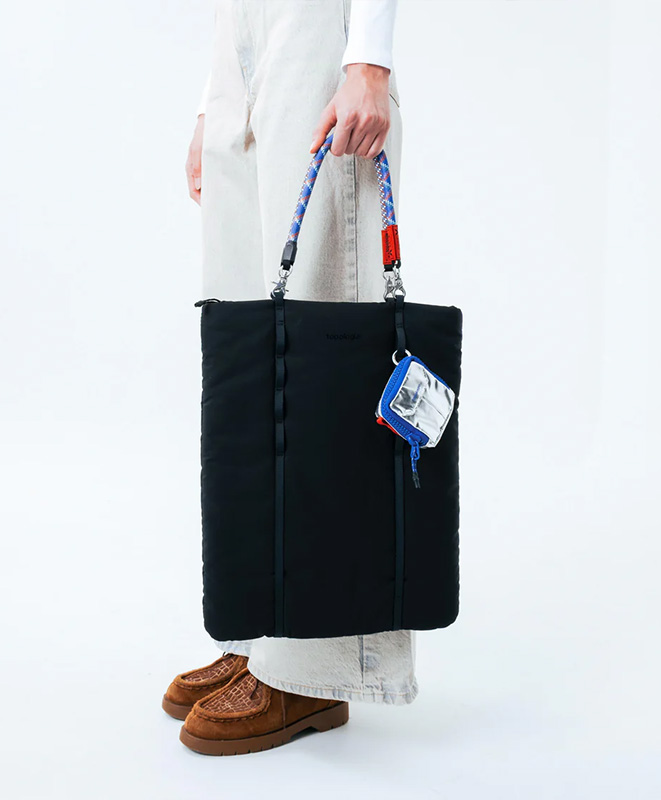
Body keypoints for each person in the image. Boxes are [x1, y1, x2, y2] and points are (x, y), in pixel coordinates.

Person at [162, 0, 415, 756]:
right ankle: (256, 638)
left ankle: (313, 667)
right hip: (240, 35)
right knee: (245, 352)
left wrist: (367, 58)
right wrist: (212, 100)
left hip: (315, 25)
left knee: (318, 337)